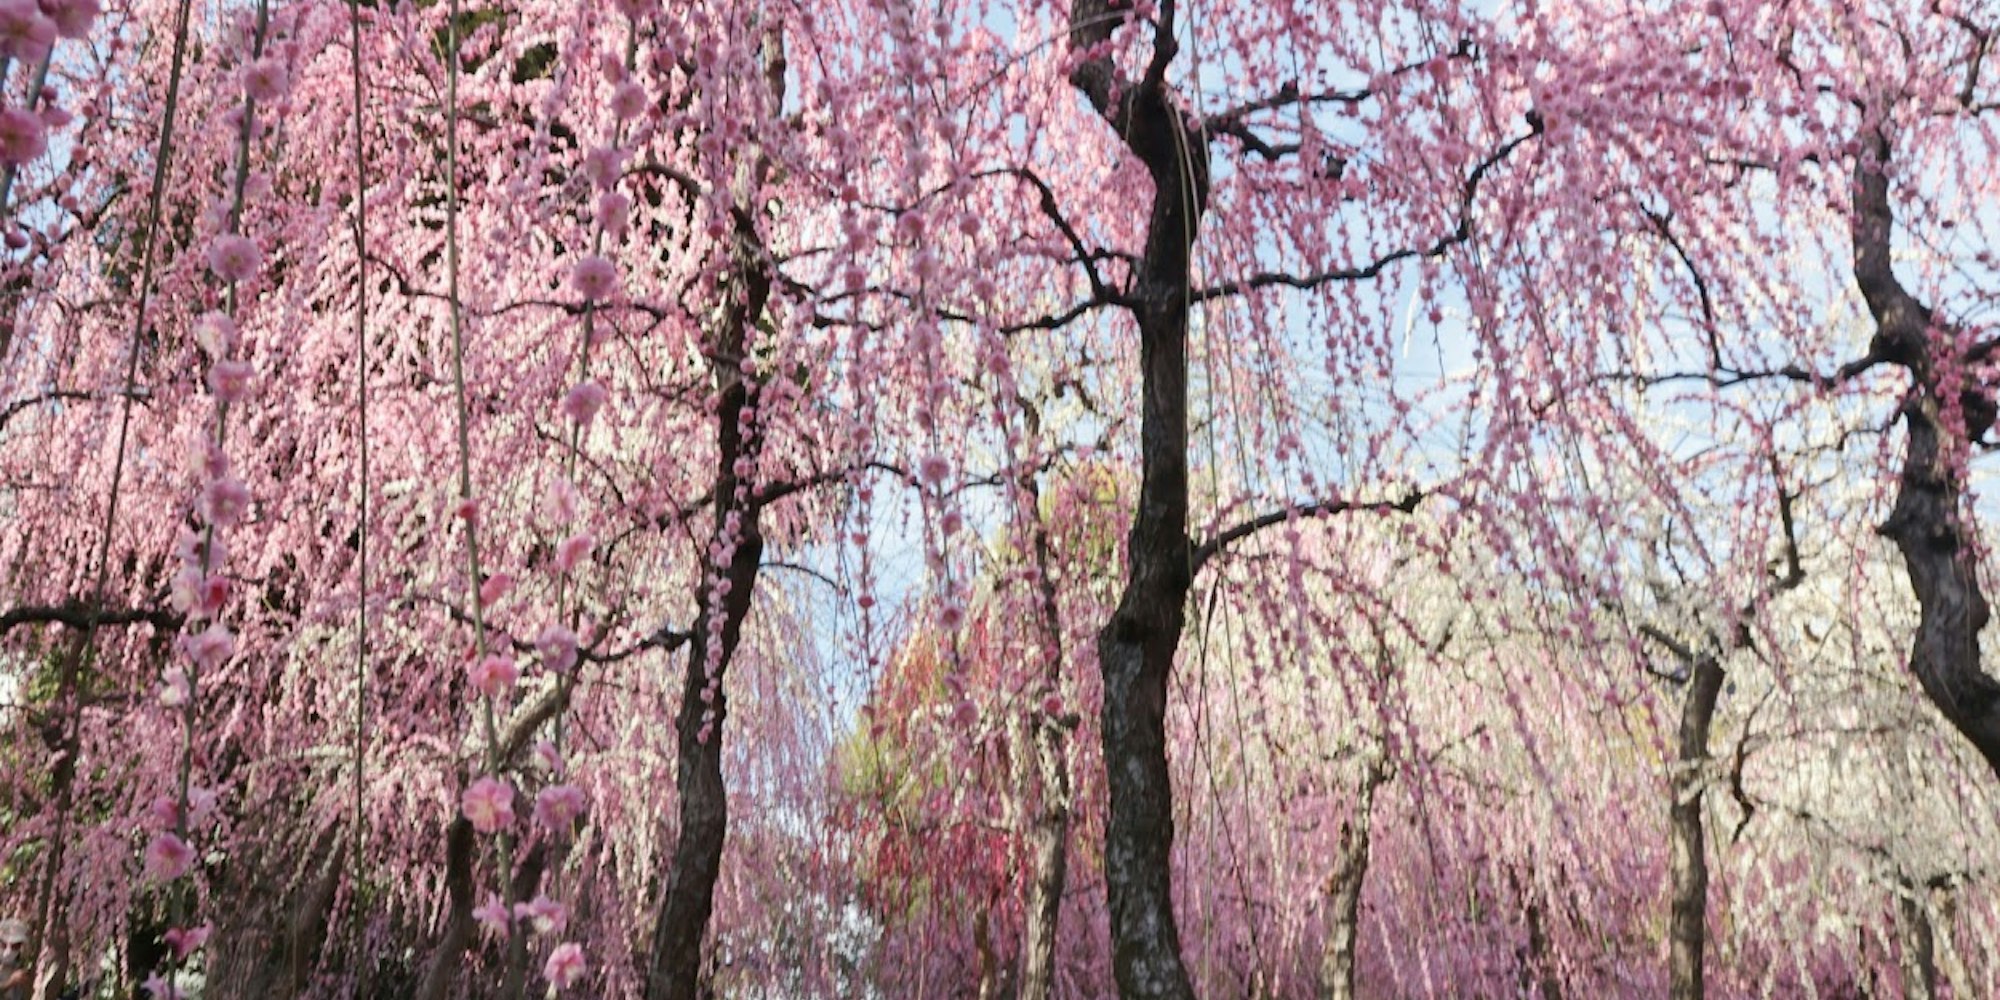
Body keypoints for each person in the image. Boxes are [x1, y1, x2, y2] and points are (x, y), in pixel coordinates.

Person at [0, 918, 29, 1000]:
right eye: (4, 944)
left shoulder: (16, 965)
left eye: (15, 946)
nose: (11, 950)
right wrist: (11, 983)